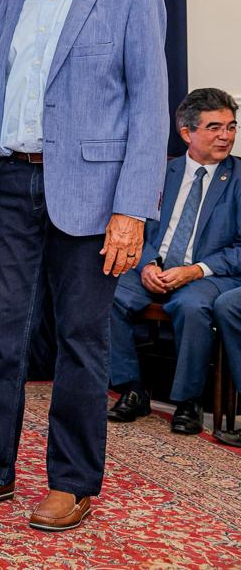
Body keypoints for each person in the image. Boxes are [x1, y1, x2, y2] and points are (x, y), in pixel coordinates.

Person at [0, 0, 168, 532]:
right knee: (1, 338)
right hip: (9, 186)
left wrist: (131, 209)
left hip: (94, 197)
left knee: (81, 341)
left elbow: (150, 108)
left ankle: (72, 481)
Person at [109, 89, 241, 434]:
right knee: (106, 293)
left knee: (192, 306)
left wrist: (195, 270)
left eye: (231, 127)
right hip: (154, 268)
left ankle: (188, 401)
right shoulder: (160, 172)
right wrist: (148, 264)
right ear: (187, 132)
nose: (226, 136)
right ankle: (132, 389)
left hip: (210, 275)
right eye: (214, 127)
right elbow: (137, 225)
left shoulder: (238, 178)